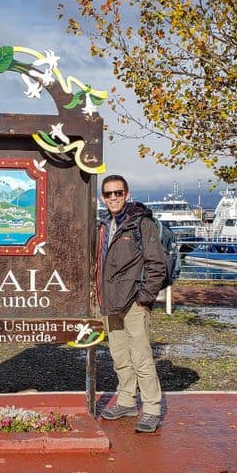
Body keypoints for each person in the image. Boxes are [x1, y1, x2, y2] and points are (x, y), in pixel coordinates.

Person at [96, 175, 166, 433]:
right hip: (111, 302)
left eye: (118, 193)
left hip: (134, 303)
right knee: (120, 356)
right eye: (108, 194)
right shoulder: (103, 224)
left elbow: (157, 265)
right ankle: (126, 400)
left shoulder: (141, 224)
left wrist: (144, 299)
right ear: (102, 197)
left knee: (142, 358)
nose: (113, 197)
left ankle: (151, 408)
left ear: (127, 193)